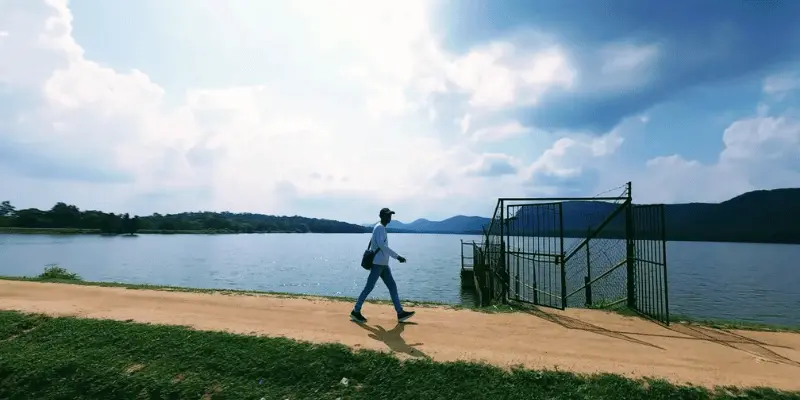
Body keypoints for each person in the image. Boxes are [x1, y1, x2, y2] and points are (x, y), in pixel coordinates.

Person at [350, 207, 415, 324]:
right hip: (378, 264)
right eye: (387, 215)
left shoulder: (381, 228)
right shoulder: (380, 228)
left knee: (392, 286)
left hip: (383, 264)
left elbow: (380, 245)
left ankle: (400, 313)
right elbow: (382, 246)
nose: (390, 217)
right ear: (381, 216)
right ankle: (356, 311)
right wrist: (397, 256)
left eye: (390, 215)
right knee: (369, 287)